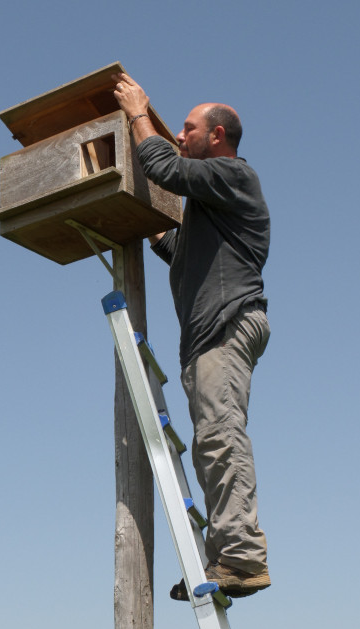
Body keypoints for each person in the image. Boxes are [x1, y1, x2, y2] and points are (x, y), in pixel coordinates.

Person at [112, 73, 271, 599]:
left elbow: (162, 167)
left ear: (218, 136)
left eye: (188, 128)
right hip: (208, 336)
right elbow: (178, 250)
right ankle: (224, 557)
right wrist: (140, 223)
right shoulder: (212, 208)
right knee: (209, 443)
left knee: (220, 438)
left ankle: (243, 560)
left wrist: (138, 113)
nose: (181, 135)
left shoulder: (233, 174)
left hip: (226, 324)